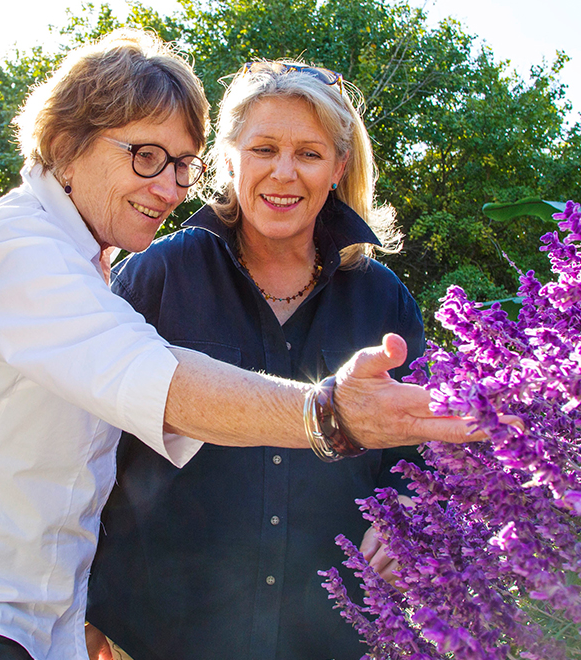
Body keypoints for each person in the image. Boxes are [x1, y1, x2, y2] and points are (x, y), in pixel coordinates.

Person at [0, 33, 483, 660]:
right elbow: (158, 385)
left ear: (338, 168)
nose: (168, 187)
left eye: (180, 163)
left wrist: (406, 512)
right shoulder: (18, 252)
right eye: (146, 157)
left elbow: (84, 464)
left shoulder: (85, 267)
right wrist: (331, 413)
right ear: (64, 147)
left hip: (60, 626)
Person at [85, 60, 425, 660]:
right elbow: (80, 447)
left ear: (338, 167)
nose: (284, 173)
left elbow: (422, 460)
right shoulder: (157, 275)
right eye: (264, 147)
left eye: (310, 153)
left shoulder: (383, 298)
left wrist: (408, 518)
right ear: (227, 157)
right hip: (157, 635)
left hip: (329, 638)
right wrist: (80, 609)